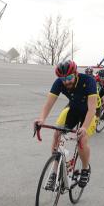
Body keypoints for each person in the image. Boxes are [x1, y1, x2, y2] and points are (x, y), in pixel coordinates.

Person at [34, 60, 97, 188]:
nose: (66, 82)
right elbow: (49, 103)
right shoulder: (59, 83)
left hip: (88, 112)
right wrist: (41, 119)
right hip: (73, 109)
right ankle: (54, 171)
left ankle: (85, 169)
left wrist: (84, 127)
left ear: (76, 73)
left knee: (82, 140)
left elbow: (92, 109)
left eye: (69, 78)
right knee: (57, 133)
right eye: (63, 79)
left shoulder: (88, 81)